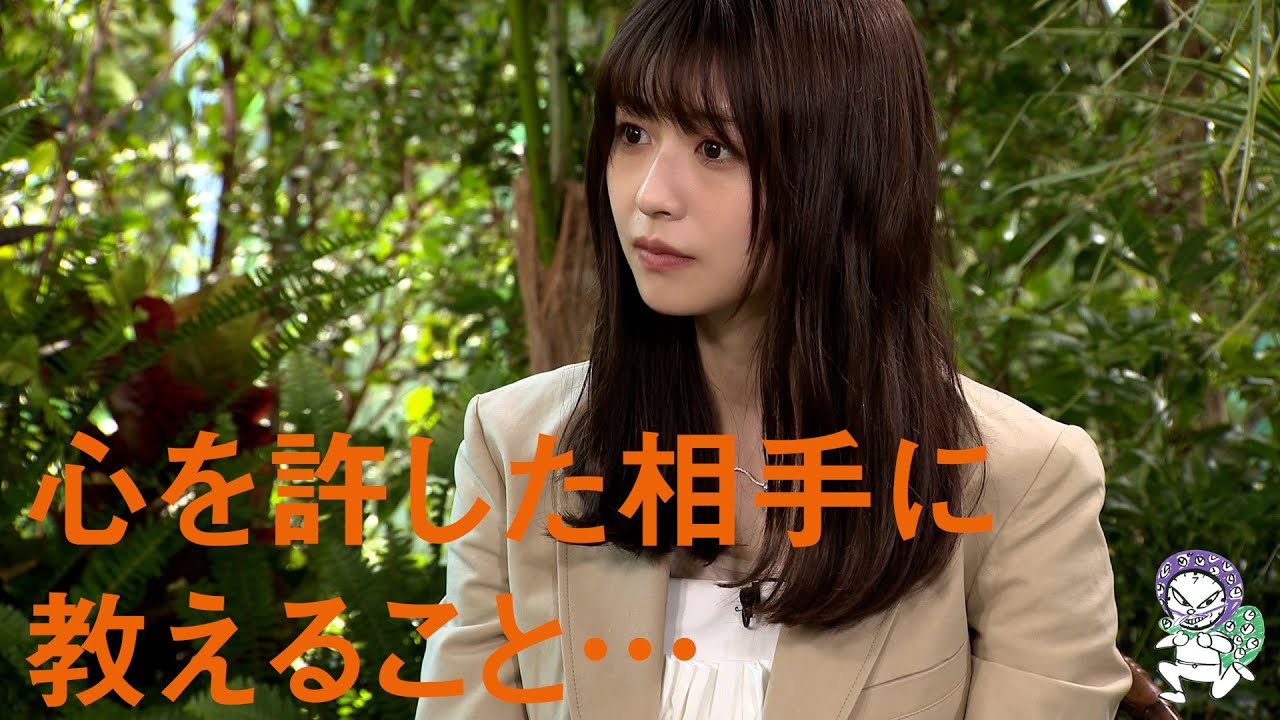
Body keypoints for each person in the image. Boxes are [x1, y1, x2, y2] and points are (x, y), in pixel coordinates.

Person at [416, 0, 1133, 717]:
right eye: (633, 133)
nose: (651, 195)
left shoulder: (1016, 483)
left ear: (847, 171)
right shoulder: (516, 448)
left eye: (714, 148)